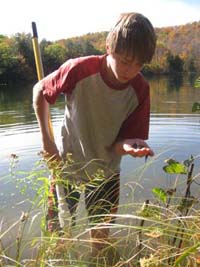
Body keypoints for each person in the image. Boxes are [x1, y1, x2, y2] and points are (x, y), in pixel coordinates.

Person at [33, 12, 156, 258]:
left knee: (101, 241)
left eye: (139, 64)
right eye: (124, 60)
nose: (130, 70)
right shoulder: (78, 69)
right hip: (66, 166)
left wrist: (128, 146)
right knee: (58, 236)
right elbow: (39, 92)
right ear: (109, 47)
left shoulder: (140, 90)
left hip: (106, 172)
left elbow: (121, 143)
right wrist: (48, 144)